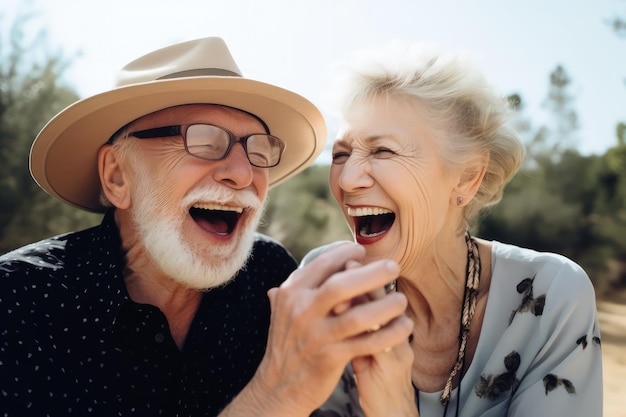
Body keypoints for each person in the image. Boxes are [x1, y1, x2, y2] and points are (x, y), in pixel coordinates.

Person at [0, 37, 413, 416]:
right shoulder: (18, 303)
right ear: (118, 177)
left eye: (258, 149)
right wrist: (277, 395)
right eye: (204, 140)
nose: (242, 172)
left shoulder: (270, 277)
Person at [308, 43, 603, 417]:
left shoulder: (552, 297)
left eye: (382, 151)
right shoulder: (328, 285)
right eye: (340, 154)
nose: (348, 180)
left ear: (466, 178)